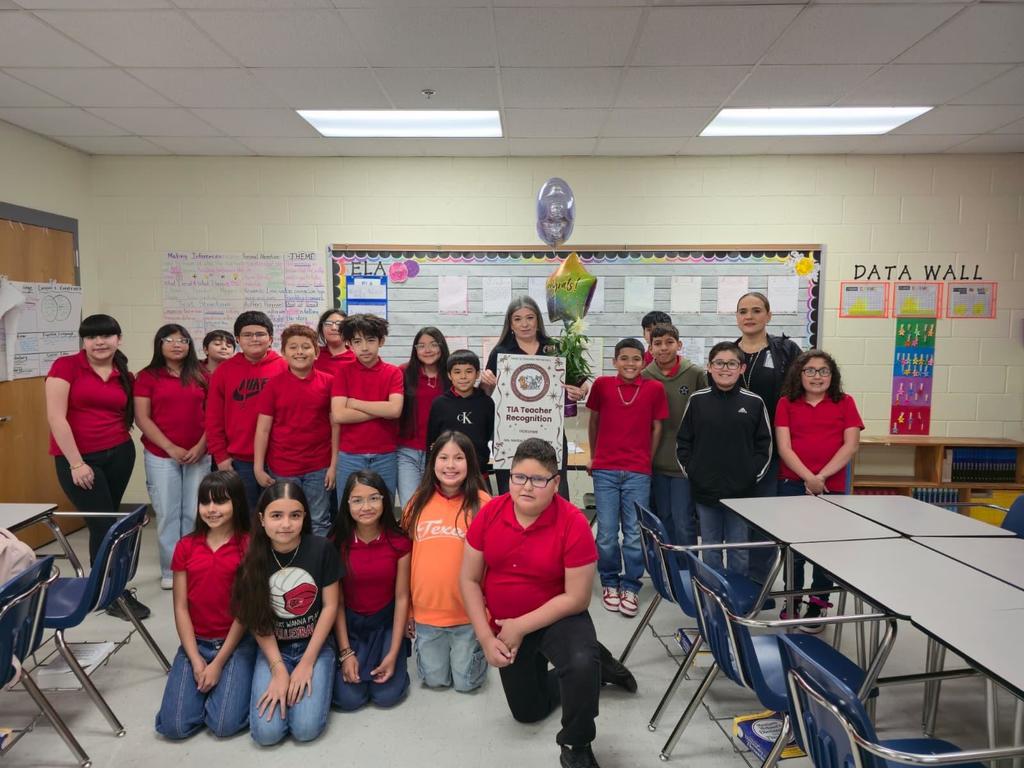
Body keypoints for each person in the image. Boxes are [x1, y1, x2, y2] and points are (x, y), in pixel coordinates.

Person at [460, 438, 637, 768]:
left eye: (538, 479)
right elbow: (468, 579)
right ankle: (600, 668)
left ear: (555, 482)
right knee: (528, 713)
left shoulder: (573, 523)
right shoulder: (490, 514)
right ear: (509, 476)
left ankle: (577, 743)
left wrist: (519, 627)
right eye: (519, 477)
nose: (527, 487)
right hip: (506, 624)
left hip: (558, 615)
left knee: (580, 662)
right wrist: (486, 636)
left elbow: (577, 597)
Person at [45, 314, 149, 621]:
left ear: (119, 339)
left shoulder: (124, 374)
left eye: (106, 336)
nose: (99, 342)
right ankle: (109, 592)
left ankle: (110, 585)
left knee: (109, 519)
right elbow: (56, 418)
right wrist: (76, 463)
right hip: (78, 459)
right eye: (91, 337)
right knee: (102, 523)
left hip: (119, 453)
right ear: (84, 341)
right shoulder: (66, 366)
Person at [232, 481, 341, 746]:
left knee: (305, 730)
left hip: (314, 647)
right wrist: (278, 668)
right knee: (266, 734)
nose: (285, 525)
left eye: (295, 515)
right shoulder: (252, 556)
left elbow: (329, 607)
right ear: (262, 519)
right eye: (276, 516)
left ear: (305, 517)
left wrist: (306, 663)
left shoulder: (322, 548)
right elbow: (257, 618)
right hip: (273, 648)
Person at [155, 471, 254, 740]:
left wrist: (218, 663)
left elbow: (245, 611)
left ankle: (224, 688)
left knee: (223, 725)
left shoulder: (248, 545)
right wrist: (196, 659)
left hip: (235, 644)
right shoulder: (186, 546)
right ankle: (200, 689)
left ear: (236, 503)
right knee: (173, 728)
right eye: (205, 502)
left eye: (220, 502)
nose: (211, 510)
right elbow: (180, 607)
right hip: (196, 643)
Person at [776, 349, 863, 629]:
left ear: (832, 376)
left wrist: (821, 477)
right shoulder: (786, 403)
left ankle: (818, 604)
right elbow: (784, 447)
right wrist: (808, 478)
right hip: (792, 485)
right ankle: (793, 600)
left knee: (825, 549)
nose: (817, 376)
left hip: (832, 487)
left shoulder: (845, 402)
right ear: (799, 375)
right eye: (810, 371)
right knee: (795, 549)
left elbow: (850, 445)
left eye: (823, 371)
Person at [401, 431, 490, 692]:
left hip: (468, 615)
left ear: (470, 462)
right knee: (435, 680)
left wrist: (488, 613)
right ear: (433, 462)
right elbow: (405, 560)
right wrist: (409, 611)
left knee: (466, 684)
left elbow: (495, 564)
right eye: (443, 458)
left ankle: (479, 648)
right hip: (427, 615)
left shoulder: (484, 505)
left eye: (458, 458)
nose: (450, 465)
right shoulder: (416, 503)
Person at [586, 338, 668, 619]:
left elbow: (657, 427)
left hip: (637, 471)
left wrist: (648, 459)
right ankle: (609, 581)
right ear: (614, 361)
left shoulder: (654, 388)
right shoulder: (602, 385)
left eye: (636, 358)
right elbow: (594, 420)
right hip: (605, 469)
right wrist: (594, 456)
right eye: (624, 358)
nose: (630, 364)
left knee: (633, 534)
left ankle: (631, 584)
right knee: (607, 533)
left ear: (645, 361)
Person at [676, 342, 772, 577]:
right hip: (705, 492)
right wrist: (695, 474)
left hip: (741, 494)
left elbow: (765, 446)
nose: (725, 368)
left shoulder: (754, 402)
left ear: (742, 368)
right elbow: (683, 443)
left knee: (739, 550)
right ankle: (713, 602)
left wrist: (750, 477)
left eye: (731, 363)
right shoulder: (698, 401)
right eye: (719, 363)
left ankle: (736, 604)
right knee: (710, 549)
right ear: (709, 367)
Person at [480, 296, 585, 498]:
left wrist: (579, 392)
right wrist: (486, 382)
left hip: (548, 429)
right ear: (510, 324)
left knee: (554, 491)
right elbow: (486, 394)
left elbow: (581, 385)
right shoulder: (501, 352)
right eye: (518, 319)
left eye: (530, 317)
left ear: (538, 320)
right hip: (510, 433)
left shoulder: (555, 348)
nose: (525, 324)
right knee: (513, 494)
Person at [734, 292, 802, 589]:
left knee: (763, 520)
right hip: (734, 451)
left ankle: (758, 584)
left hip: (772, 450)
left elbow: (801, 395)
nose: (749, 316)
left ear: (769, 315)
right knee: (736, 520)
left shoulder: (786, 351)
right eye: (743, 311)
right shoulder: (726, 353)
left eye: (756, 310)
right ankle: (735, 580)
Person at [135, 324, 209, 590]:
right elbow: (142, 418)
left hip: (199, 453)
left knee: (194, 512)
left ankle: (191, 565)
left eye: (183, 340)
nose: (177, 344)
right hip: (161, 455)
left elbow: (214, 415)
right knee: (167, 512)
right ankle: (169, 569)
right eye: (170, 340)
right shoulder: (147, 376)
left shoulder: (201, 374)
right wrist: (170, 448)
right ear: (159, 344)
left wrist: (201, 446)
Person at [331, 471, 412, 710]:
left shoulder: (399, 543)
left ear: (385, 501)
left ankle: (395, 662)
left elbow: (401, 597)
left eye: (373, 498)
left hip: (385, 624)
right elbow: (336, 603)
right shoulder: (337, 544)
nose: (366, 506)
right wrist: (345, 653)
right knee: (349, 700)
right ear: (346, 504)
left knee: (386, 696)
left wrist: (394, 651)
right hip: (351, 626)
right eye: (357, 500)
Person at [253, 324, 338, 536]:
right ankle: (289, 565)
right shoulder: (273, 385)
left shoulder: (329, 383)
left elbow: (336, 425)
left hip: (319, 466)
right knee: (286, 521)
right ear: (283, 352)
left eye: (305, 347)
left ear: (317, 352)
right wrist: (258, 467)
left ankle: (317, 566)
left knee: (319, 520)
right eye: (293, 347)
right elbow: (263, 429)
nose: (299, 352)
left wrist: (333, 465)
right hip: (283, 466)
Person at [206, 311, 288, 510]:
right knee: (247, 516)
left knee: (279, 512)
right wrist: (221, 457)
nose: (254, 339)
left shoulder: (285, 367)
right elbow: (213, 417)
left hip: (280, 457)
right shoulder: (224, 371)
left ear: (270, 338)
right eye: (247, 335)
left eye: (260, 334)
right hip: (239, 460)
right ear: (237, 339)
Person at [642, 323, 707, 547]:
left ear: (679, 345)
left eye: (669, 342)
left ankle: (687, 572)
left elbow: (704, 416)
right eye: (657, 343)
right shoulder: (644, 376)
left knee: (683, 521)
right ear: (649, 348)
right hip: (655, 462)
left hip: (683, 464)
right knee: (663, 519)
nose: (663, 348)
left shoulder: (696, 374)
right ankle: (668, 572)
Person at [331, 313, 404, 500]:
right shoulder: (343, 373)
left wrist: (355, 403)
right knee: (347, 509)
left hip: (385, 454)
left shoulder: (393, 373)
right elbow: (339, 415)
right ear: (349, 344)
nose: (364, 348)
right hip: (350, 455)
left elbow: (395, 411)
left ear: (381, 341)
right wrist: (381, 410)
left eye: (370, 340)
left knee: (384, 509)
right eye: (357, 341)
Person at [396, 327, 450, 506]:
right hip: (407, 451)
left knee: (438, 505)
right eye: (421, 346)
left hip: (441, 451)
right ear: (415, 349)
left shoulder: (452, 374)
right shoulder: (403, 372)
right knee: (410, 506)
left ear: (442, 347)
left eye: (433, 345)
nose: (427, 350)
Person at [426, 349, 495, 472]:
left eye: (469, 371)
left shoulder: (487, 403)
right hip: (449, 472)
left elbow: (491, 436)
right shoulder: (439, 404)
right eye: (457, 372)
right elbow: (432, 442)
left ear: (477, 374)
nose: (463, 376)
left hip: (479, 472)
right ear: (449, 375)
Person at [314, 309, 353, 377]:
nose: (334, 328)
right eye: (328, 324)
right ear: (321, 329)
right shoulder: (313, 354)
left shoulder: (356, 358)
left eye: (339, 324)